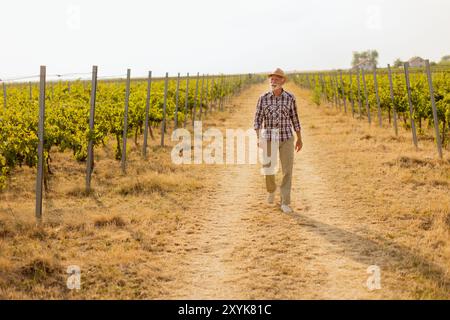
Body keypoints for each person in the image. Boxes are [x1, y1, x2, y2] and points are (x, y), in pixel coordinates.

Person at [253, 68, 303, 213]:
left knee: (287, 170)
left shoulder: (290, 98)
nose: (273, 81)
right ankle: (271, 190)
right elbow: (257, 120)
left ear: (283, 81)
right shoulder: (263, 98)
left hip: (286, 137)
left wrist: (299, 138)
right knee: (268, 168)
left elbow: (295, 119)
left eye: (276, 79)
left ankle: (285, 202)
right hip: (269, 137)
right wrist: (258, 137)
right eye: (271, 79)